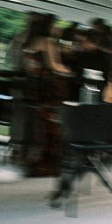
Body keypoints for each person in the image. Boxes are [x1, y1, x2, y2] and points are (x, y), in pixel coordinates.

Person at [19, 12, 70, 177]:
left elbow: (28, 66)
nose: (57, 28)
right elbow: (54, 66)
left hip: (35, 91)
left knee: (38, 126)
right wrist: (67, 70)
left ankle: (34, 160)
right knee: (52, 127)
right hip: (50, 90)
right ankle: (49, 163)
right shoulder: (47, 42)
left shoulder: (30, 42)